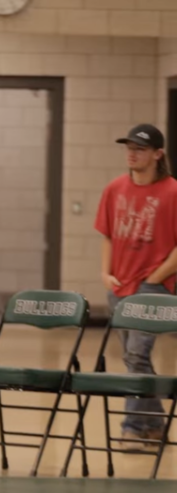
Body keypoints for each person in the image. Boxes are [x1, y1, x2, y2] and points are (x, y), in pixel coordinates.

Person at [95, 124, 177, 444]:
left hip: (153, 287)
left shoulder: (172, 192)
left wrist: (155, 278)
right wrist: (105, 274)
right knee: (133, 358)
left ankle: (132, 428)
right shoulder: (114, 189)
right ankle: (155, 423)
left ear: (158, 154)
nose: (132, 153)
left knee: (136, 355)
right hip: (120, 285)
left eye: (140, 149)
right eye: (129, 147)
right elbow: (107, 235)